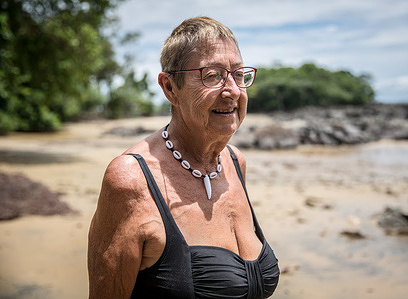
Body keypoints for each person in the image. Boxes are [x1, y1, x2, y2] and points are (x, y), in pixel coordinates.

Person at [88, 16, 279, 299]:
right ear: (170, 89)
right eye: (212, 75)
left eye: (238, 75)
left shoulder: (234, 162)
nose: (233, 91)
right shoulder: (130, 179)